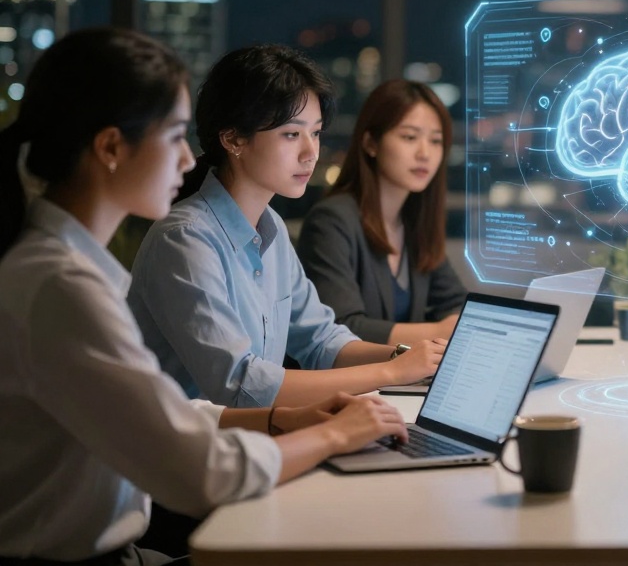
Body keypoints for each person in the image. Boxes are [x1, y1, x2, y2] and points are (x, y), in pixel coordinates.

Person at [0, 28, 408, 564]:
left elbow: (168, 411)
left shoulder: (70, 270)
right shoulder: (65, 284)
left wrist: (284, 419)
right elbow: (203, 472)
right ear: (110, 148)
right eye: (172, 136)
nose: (187, 159)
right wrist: (335, 435)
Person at [128, 44, 445, 410]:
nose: (311, 152)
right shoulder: (186, 239)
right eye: (292, 134)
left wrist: (410, 359)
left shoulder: (271, 228)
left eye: (317, 132)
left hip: (252, 442)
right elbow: (241, 384)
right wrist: (393, 372)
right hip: (186, 456)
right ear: (233, 139)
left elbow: (322, 341)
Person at [296, 79, 468, 345]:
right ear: (371, 143)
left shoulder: (414, 222)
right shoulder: (331, 221)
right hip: (347, 383)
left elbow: (456, 304)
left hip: (399, 382)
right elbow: (342, 328)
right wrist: (438, 332)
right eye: (410, 137)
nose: (425, 153)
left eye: (436, 141)